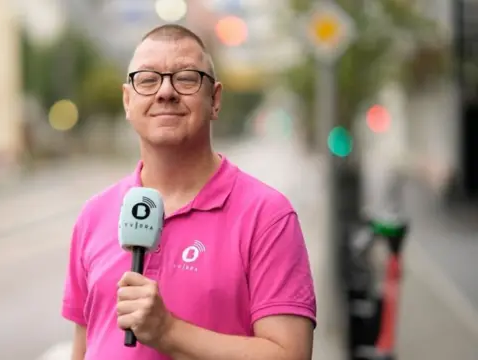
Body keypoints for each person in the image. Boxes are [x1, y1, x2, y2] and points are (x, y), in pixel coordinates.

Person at [62, 24, 316, 360]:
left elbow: (290, 354)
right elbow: (85, 345)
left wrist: (168, 331)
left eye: (185, 78)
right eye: (148, 79)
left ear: (215, 99)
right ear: (128, 100)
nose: (165, 92)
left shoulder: (267, 215)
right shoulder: (94, 215)